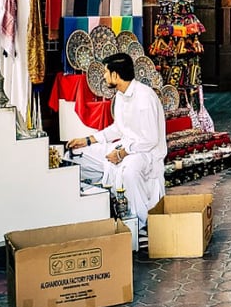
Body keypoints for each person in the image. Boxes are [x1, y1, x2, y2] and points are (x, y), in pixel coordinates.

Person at [66, 53, 167, 240]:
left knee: (129, 171)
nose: (104, 76)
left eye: (106, 72)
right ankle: (103, 207)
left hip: (146, 154)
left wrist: (121, 154)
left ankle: (141, 224)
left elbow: (150, 139)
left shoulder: (145, 97)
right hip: (126, 147)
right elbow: (118, 128)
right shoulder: (121, 95)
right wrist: (88, 140)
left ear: (116, 75)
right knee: (77, 154)